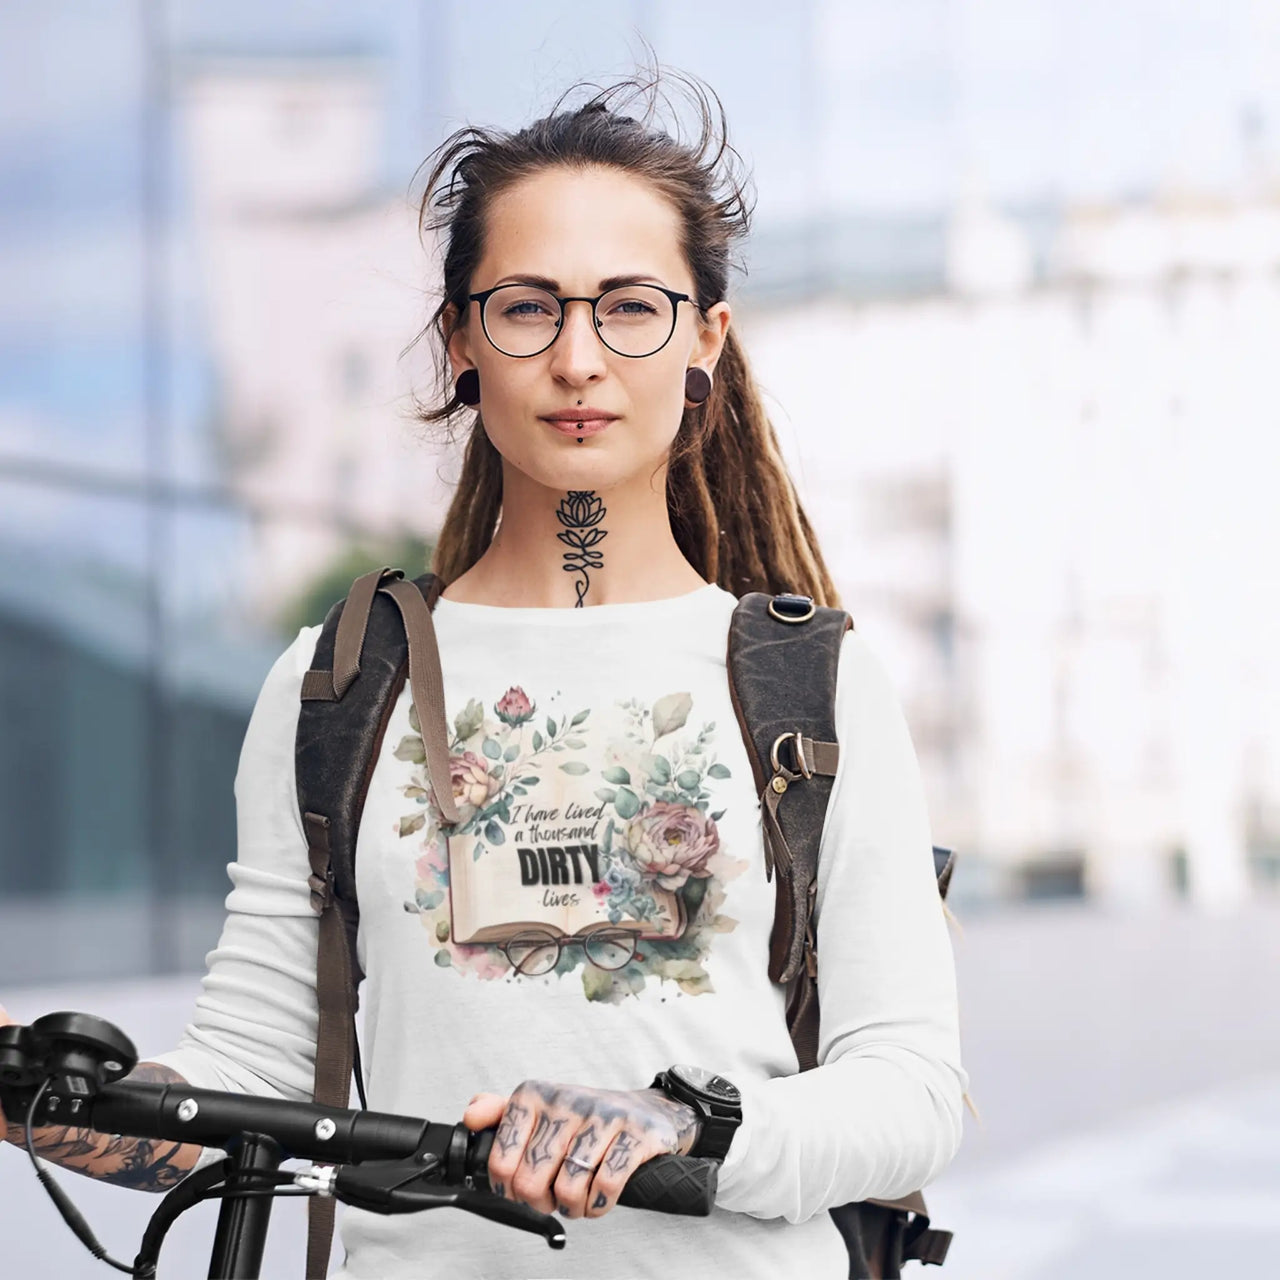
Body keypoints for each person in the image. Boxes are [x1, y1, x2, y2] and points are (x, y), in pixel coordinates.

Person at [0, 66, 967, 1279]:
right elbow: (238, 1093)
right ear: (461, 337)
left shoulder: (809, 684)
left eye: (628, 307)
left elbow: (907, 1091)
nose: (576, 357)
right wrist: (45, 1082)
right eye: (525, 307)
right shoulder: (337, 684)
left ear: (703, 340)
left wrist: (684, 1125)